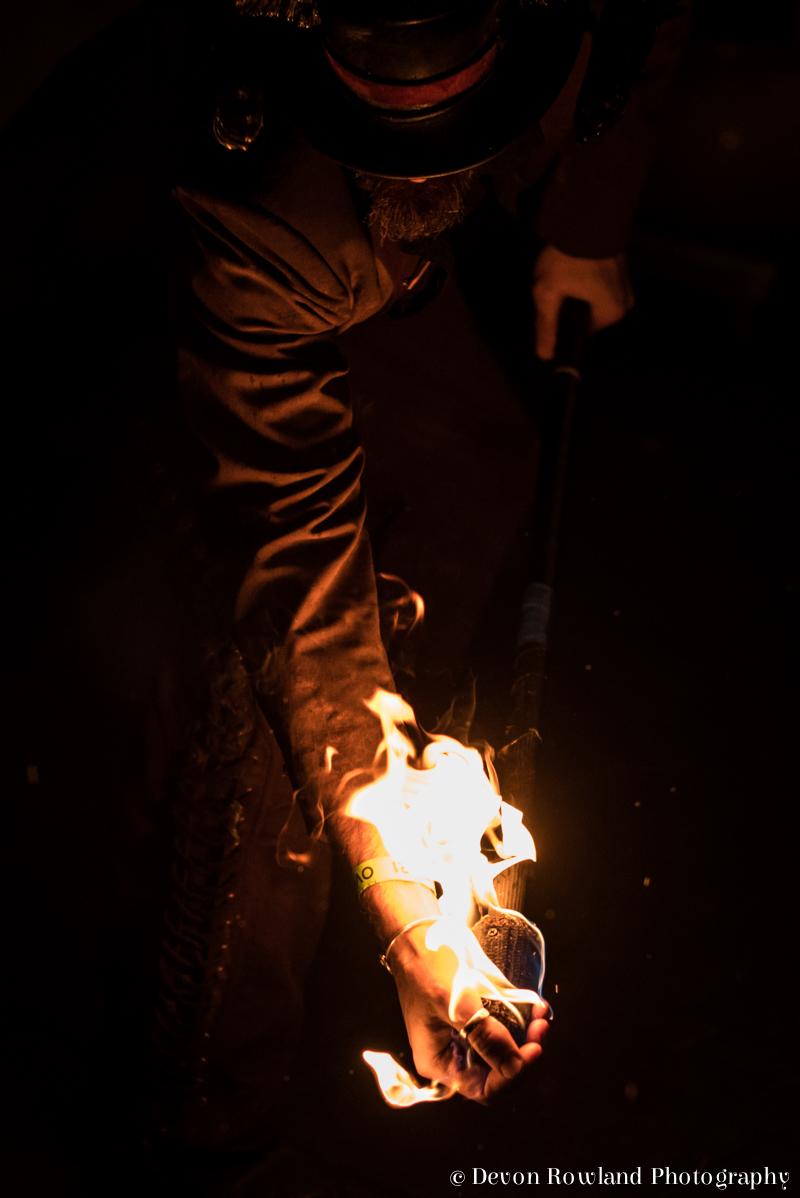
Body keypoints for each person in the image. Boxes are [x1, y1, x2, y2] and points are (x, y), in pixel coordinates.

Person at [156, 0, 691, 1160]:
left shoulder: (582, 28)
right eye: (391, 139)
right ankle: (202, 1105)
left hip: (387, 239)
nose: (417, 173)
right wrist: (416, 930)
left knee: (474, 463)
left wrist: (586, 221)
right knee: (260, 686)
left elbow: (650, 21)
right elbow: (304, 594)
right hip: (215, 261)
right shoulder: (263, 209)